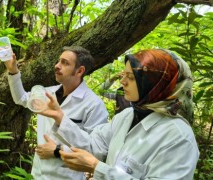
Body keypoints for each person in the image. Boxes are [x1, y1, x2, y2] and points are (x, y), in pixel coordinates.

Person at [38, 49, 199, 179]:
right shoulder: (127, 116)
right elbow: (94, 146)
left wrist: (97, 168)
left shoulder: (178, 138)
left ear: (155, 83)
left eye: (131, 77)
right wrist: (60, 117)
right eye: (124, 75)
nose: (122, 82)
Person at [3, 46, 109, 179]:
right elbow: (21, 98)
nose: (57, 66)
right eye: (59, 61)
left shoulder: (93, 104)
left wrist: (58, 151)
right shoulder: (47, 93)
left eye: (65, 63)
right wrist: (13, 71)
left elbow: (96, 152)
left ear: (80, 71)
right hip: (38, 174)